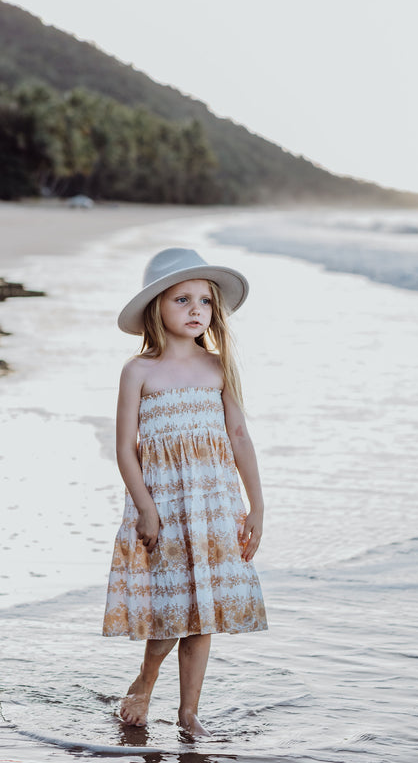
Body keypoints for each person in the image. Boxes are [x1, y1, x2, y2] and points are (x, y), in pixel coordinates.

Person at [103, 247, 267, 737]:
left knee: (205, 611)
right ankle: (145, 680)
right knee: (171, 606)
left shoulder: (219, 367)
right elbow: (125, 449)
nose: (197, 310)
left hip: (215, 505)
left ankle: (188, 711)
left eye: (205, 302)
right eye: (182, 300)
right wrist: (146, 510)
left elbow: (239, 437)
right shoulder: (140, 372)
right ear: (157, 307)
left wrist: (256, 505)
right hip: (165, 506)